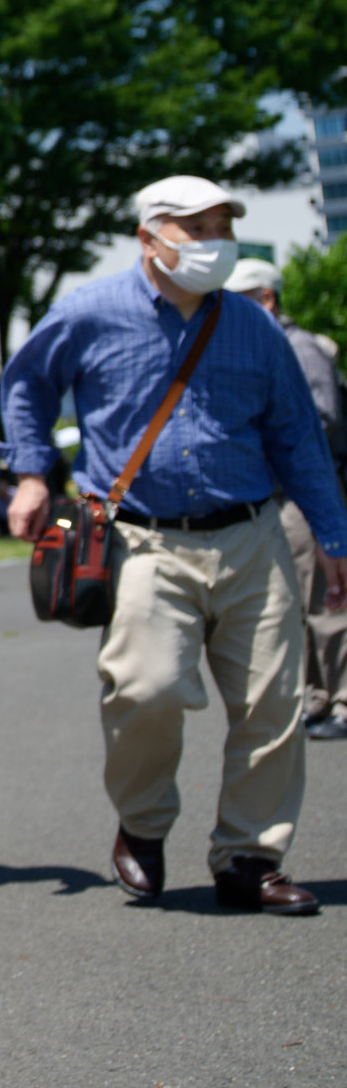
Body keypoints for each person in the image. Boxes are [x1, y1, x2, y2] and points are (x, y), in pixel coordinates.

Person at [1, 176, 346, 916]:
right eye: (198, 228)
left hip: (252, 533)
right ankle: (143, 821)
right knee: (146, 687)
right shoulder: (89, 311)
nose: (216, 242)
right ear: (149, 237)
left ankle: (249, 858)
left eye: (224, 227)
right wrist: (31, 474)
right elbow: (26, 384)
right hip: (142, 539)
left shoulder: (254, 326)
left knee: (274, 702)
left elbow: (297, 434)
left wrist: (333, 534)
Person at [227, 257, 347, 741]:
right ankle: (318, 696)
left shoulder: (300, 347)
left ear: (266, 298)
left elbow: (322, 418)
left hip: (305, 494)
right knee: (297, 600)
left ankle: (343, 699)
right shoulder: (266, 346)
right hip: (280, 495)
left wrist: (258, 440)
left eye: (237, 300)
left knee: (326, 599)